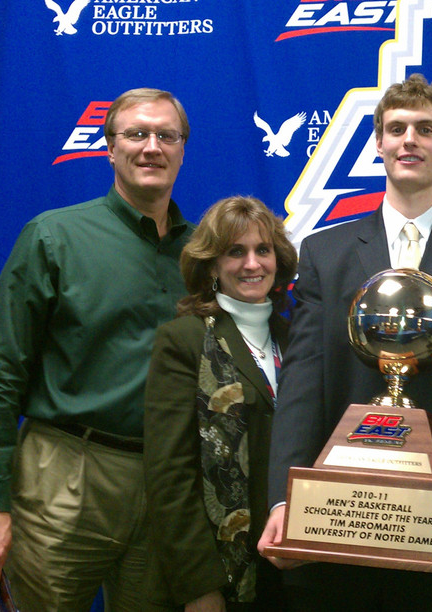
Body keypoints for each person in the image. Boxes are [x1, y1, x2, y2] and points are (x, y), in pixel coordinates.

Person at [257, 74, 432, 610]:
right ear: (378, 143)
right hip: (340, 524)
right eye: (396, 128)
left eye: (426, 129)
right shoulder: (324, 252)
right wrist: (283, 502)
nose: (410, 140)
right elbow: (302, 385)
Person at [0, 88, 193, 610]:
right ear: (109, 148)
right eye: (135, 134)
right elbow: (1, 374)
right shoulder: (53, 236)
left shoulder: (201, 254)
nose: (151, 146)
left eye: (165, 135)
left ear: (182, 149)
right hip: (62, 474)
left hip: (168, 483)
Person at [143, 196, 296, 612]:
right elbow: (169, 477)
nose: (252, 264)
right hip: (219, 574)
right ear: (211, 265)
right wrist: (199, 588)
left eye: (262, 250)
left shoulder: (299, 338)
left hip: (297, 568)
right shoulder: (184, 341)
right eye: (235, 252)